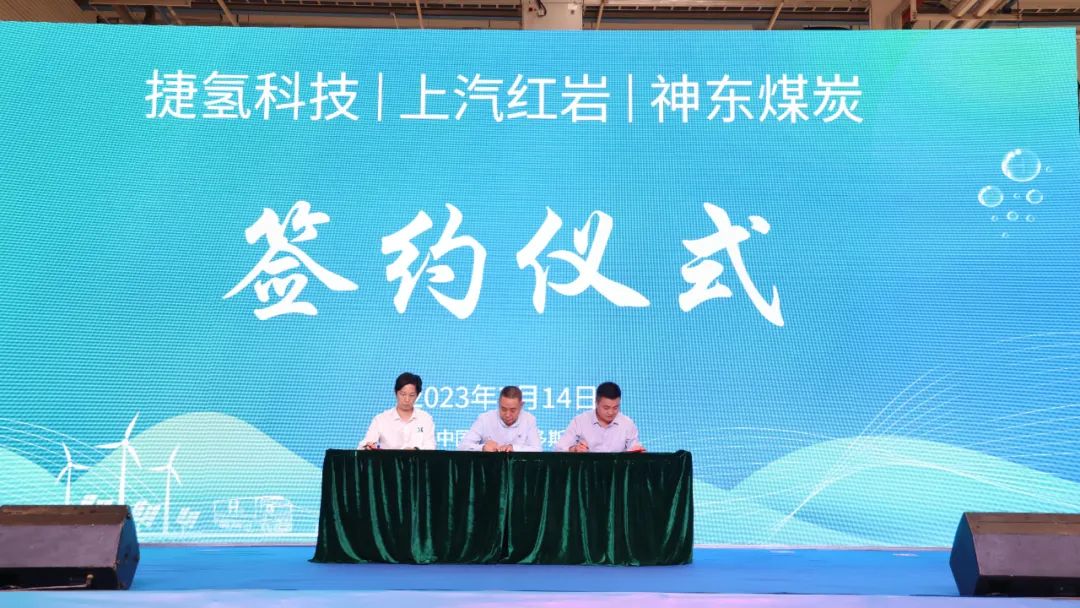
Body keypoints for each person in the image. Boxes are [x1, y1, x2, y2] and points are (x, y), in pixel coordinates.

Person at [555, 382, 645, 453]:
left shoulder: (627, 424)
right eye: (606, 408)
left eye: (615, 407)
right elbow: (559, 448)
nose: (611, 412)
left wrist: (638, 452)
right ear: (596, 403)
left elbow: (635, 450)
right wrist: (574, 449)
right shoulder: (580, 421)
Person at [358, 372, 435, 450]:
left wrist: (415, 450)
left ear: (417, 395)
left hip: (416, 458)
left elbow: (430, 447)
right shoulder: (381, 419)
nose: (407, 399)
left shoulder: (425, 418)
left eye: (411, 395)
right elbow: (364, 445)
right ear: (395, 392)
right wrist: (368, 446)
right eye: (403, 394)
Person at [458, 386, 541, 452]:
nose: (507, 415)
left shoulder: (529, 420)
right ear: (498, 403)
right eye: (503, 409)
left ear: (521, 405)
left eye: (513, 410)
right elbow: (462, 447)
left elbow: (537, 450)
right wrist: (483, 448)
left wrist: (514, 448)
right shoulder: (485, 419)